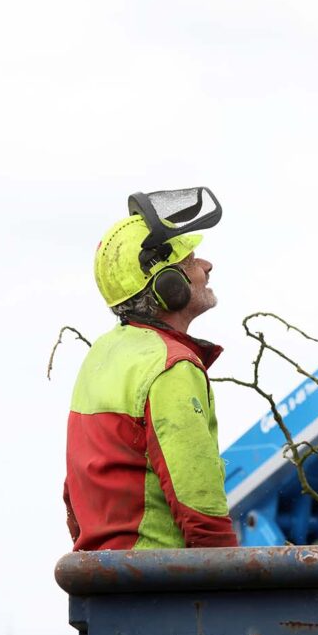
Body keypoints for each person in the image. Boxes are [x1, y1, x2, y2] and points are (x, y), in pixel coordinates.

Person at [64, 188, 238, 550]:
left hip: (105, 582)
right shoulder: (171, 366)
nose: (206, 265)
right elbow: (198, 502)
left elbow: (73, 495)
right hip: (156, 582)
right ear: (168, 286)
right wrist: (231, 585)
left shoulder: (102, 357)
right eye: (191, 259)